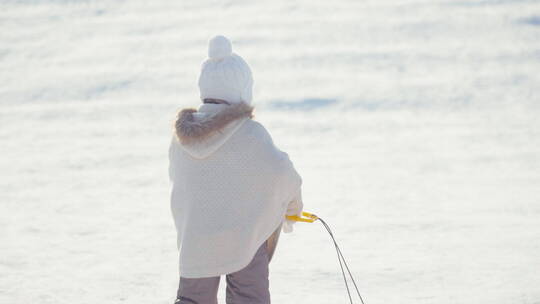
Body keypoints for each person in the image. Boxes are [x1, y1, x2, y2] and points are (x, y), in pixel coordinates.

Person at [168, 35, 304, 304]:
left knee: (193, 298)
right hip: (244, 236)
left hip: (197, 237)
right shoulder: (251, 134)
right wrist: (292, 209)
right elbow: (282, 174)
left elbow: (181, 185)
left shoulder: (181, 139)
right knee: (248, 295)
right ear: (242, 91)